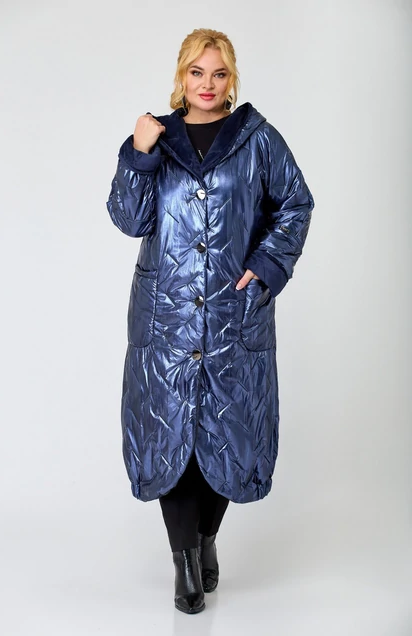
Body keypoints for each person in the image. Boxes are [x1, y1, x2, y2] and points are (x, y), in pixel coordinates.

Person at [106, 27, 315, 614]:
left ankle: (205, 540)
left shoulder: (258, 139)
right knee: (168, 430)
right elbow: (128, 218)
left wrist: (267, 264)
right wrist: (137, 153)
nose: (207, 84)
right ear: (182, 76)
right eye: (197, 72)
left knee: (225, 432)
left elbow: (295, 203)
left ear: (231, 79)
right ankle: (183, 563)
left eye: (218, 73)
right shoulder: (158, 137)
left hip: (233, 313)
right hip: (166, 316)